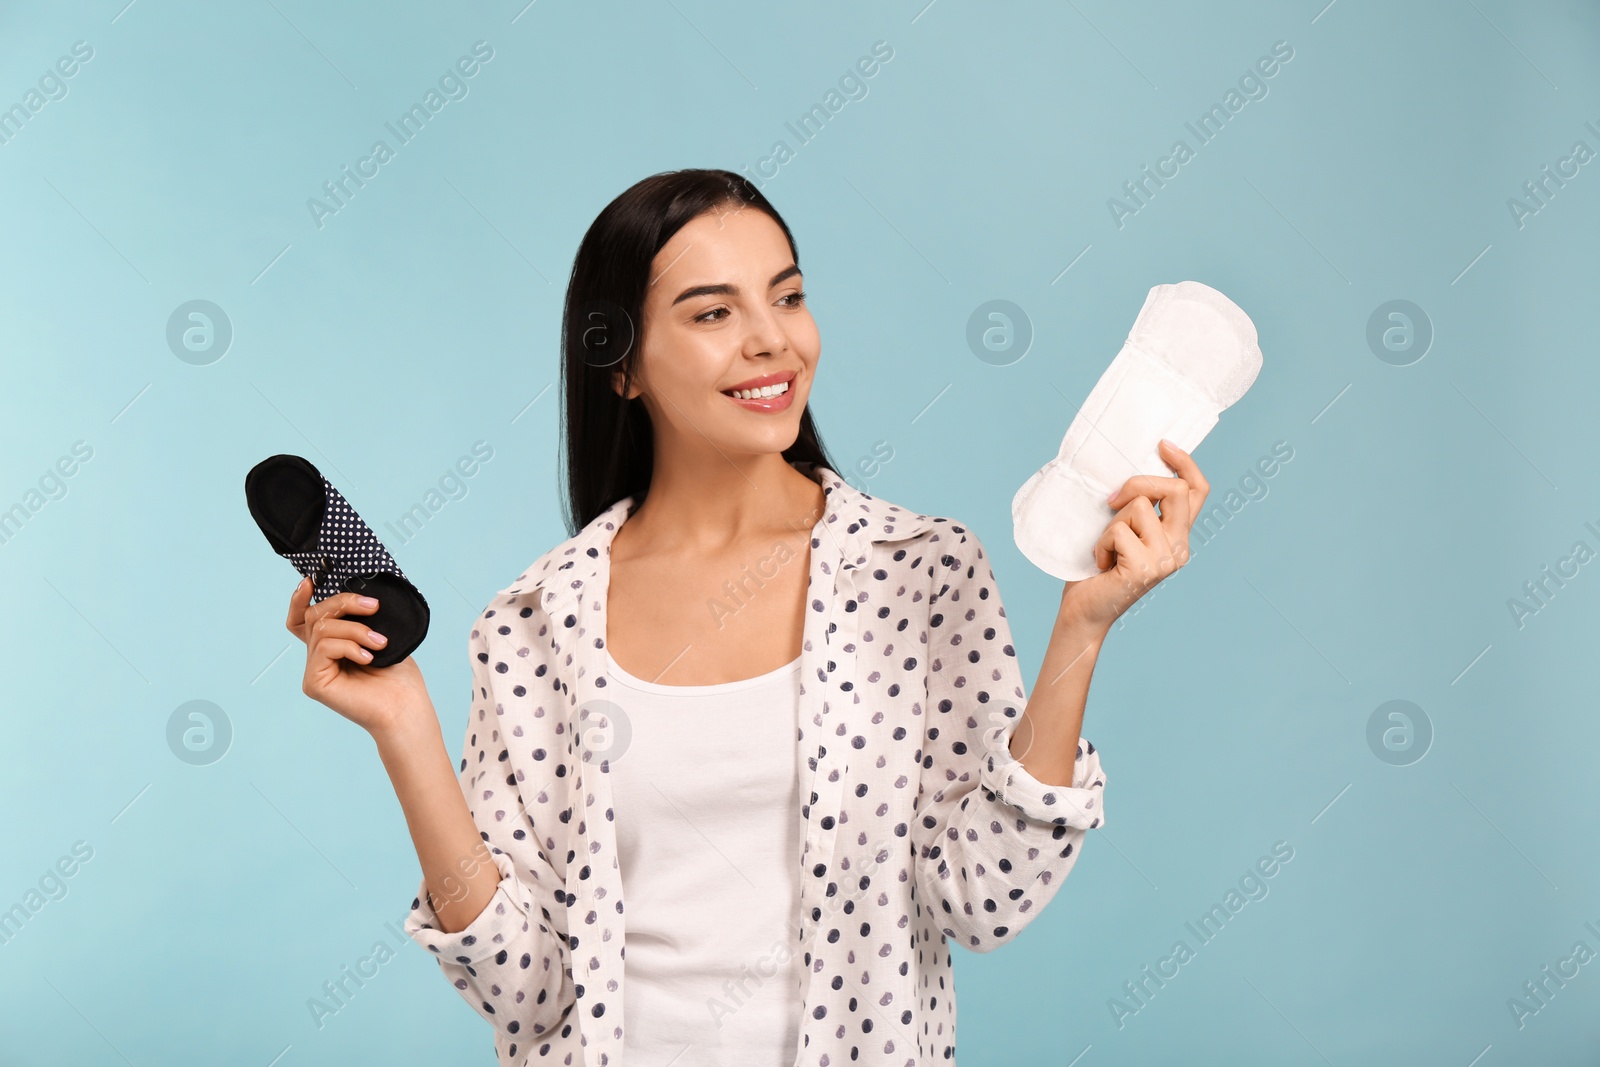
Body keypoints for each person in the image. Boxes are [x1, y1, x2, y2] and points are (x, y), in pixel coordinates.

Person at [285, 168, 1210, 1066]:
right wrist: (405, 726)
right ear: (621, 368)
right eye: (713, 312)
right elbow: (522, 990)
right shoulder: (533, 623)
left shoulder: (919, 572)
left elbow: (981, 899)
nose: (773, 340)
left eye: (788, 297)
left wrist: (1080, 630)